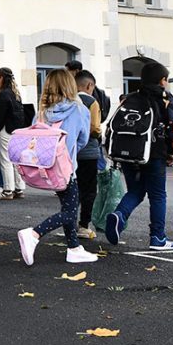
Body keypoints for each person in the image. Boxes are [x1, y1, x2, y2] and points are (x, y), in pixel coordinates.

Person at [16, 69, 98, 265]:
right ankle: (35, 233)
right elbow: (83, 139)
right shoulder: (79, 110)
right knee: (70, 212)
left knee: (68, 205)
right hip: (65, 166)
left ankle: (74, 248)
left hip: (45, 167)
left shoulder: (42, 113)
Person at [105, 61, 173, 251]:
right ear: (163, 81)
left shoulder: (129, 98)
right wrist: (172, 152)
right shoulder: (166, 99)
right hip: (155, 153)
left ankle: (119, 215)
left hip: (130, 153)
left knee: (136, 191)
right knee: (157, 195)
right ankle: (157, 238)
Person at [0, 67, 26, 199]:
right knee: (16, 159)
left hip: (4, 129)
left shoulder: (3, 95)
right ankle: (19, 187)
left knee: (5, 159)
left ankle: (8, 190)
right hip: (16, 130)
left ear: (2, 78)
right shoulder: (15, 93)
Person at [74, 70, 102, 239]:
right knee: (89, 191)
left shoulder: (68, 100)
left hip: (70, 152)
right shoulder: (91, 102)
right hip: (88, 152)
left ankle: (68, 222)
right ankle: (84, 225)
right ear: (89, 85)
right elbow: (95, 128)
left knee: (72, 189)